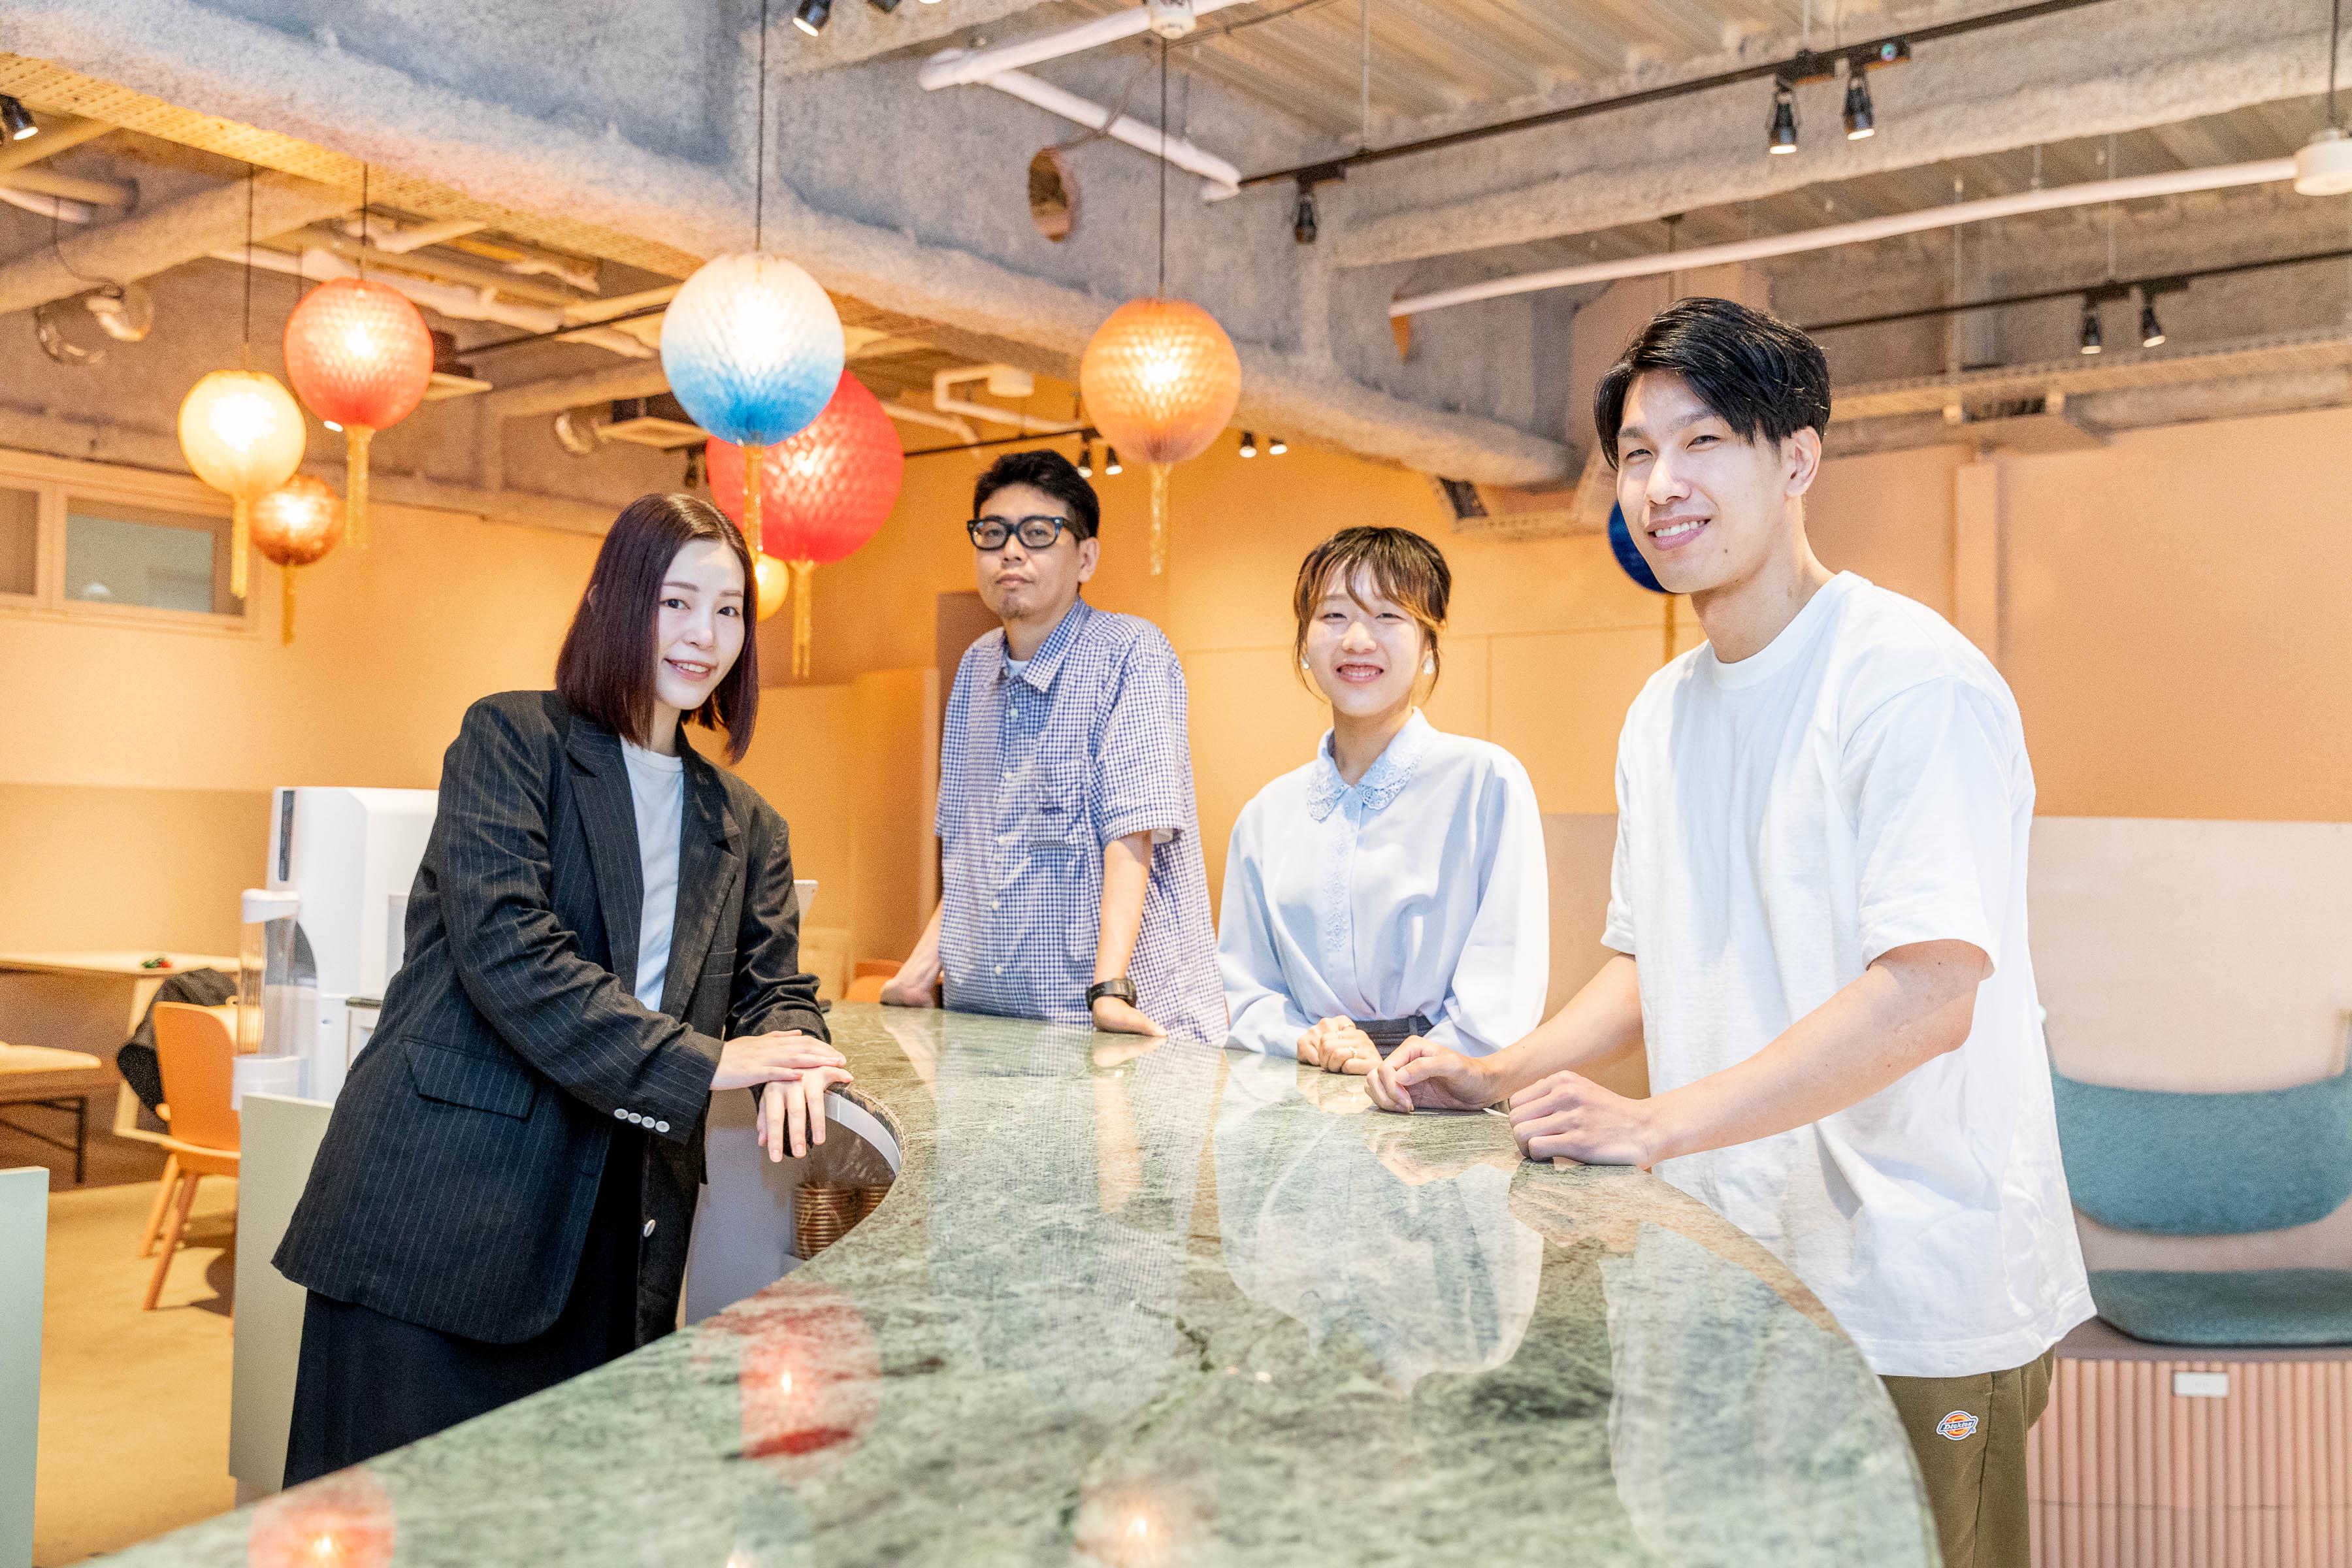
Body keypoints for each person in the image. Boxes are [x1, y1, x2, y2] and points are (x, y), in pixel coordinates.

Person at [1367, 297, 2091, 1568]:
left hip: (1908, 1288)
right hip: (1719, 1258)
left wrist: (1656, 1125)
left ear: (1797, 459)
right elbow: (1653, 961)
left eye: (1703, 442)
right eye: (1637, 454)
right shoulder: (1662, 711)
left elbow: (1932, 994)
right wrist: (1496, 1074)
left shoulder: (1909, 680)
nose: (1663, 485)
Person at [275, 493, 852, 1483]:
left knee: (556, 1522)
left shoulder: (747, 822)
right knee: (390, 1525)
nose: (703, 635)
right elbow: (510, 953)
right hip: (439, 1216)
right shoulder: (510, 740)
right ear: (614, 602)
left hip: (614, 1238)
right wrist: (711, 1063)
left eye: (728, 611)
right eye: (676, 602)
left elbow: (777, 986)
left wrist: (795, 1050)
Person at [880, 450, 1222, 1043]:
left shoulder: (1130, 652)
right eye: (993, 533)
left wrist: (1110, 990)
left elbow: (1132, 834)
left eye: (1038, 533)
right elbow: (969, 851)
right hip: (988, 1025)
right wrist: (919, 969)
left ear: (1085, 557)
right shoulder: (975, 668)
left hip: (1111, 1027)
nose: (1011, 551)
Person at [1218, 526, 1548, 1071]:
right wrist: (1301, 1040)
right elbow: (1247, 989)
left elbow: (1503, 980)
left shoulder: (1484, 781)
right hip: (1304, 1086)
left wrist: (1416, 1069)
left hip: (1445, 1090)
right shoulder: (1265, 814)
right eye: (1333, 615)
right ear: (1304, 644)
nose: (1357, 640)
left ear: (1429, 645)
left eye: (1388, 615)